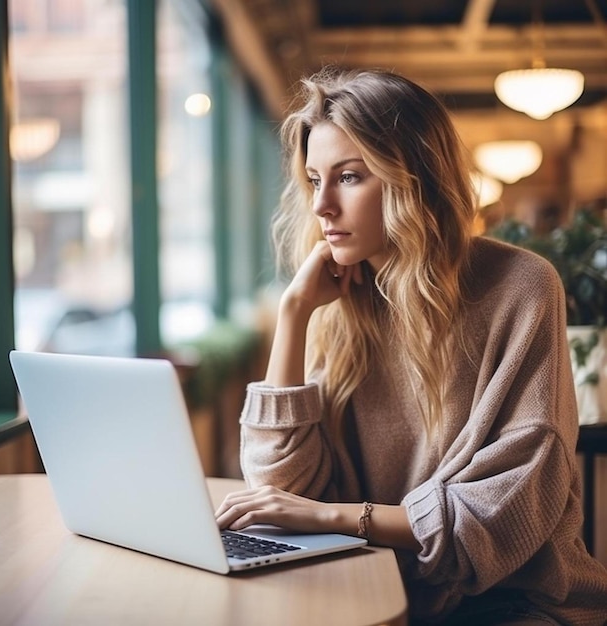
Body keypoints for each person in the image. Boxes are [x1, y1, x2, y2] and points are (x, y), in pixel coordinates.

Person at [214, 67, 607, 625]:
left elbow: (501, 517)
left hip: (515, 605)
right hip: (376, 585)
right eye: (313, 179)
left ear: (412, 178)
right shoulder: (340, 303)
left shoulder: (521, 285)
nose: (322, 205)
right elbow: (281, 491)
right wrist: (294, 314)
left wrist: (335, 520)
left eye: (349, 177)